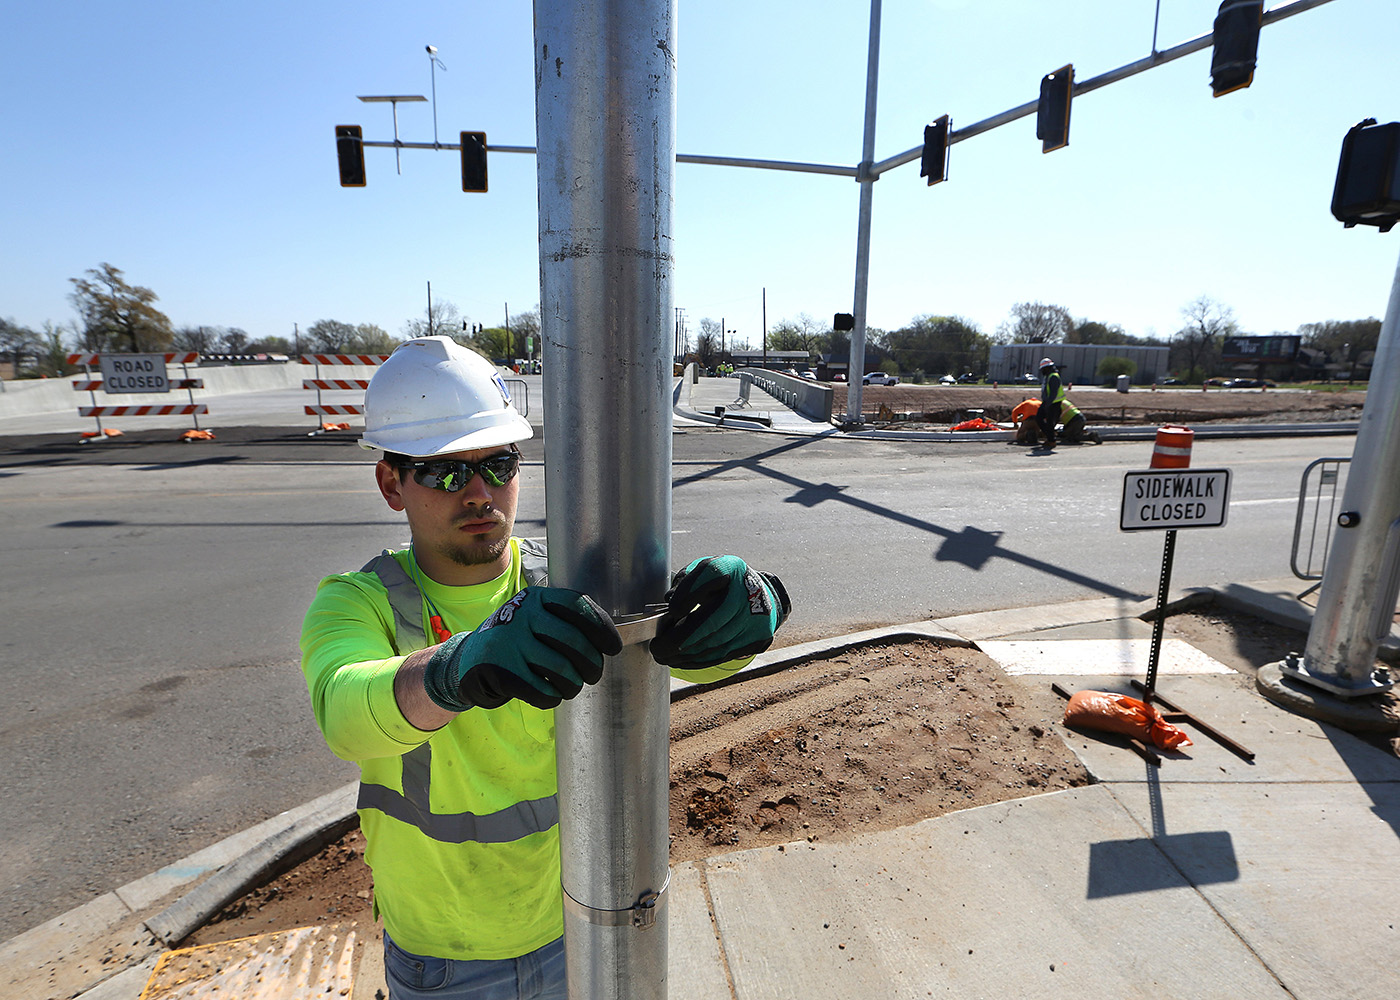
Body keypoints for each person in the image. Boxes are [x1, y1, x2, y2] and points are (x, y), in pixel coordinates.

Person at [300, 336, 789, 1000]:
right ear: (392, 483)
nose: (480, 492)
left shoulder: (564, 581)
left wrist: (758, 608)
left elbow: (685, 655)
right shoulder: (358, 602)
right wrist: (453, 669)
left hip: (579, 925)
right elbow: (345, 712)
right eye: (446, 471)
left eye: (498, 464)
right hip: (446, 958)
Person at [1012, 396, 1100, 445]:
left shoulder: (1055, 406)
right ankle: (1035, 434)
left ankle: (1090, 436)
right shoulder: (1064, 402)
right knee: (1071, 432)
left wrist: (1015, 422)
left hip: (1073, 422)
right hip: (1081, 419)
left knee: (1070, 437)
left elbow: (1015, 411)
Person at [1034, 357, 1064, 447]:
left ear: (1047, 368)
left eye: (1043, 369)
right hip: (1048, 402)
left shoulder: (1053, 377)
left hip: (1053, 403)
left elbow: (1053, 393)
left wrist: (1048, 404)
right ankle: (1050, 437)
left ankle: (1051, 441)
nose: (1042, 371)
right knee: (1039, 418)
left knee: (1050, 422)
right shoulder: (1048, 376)